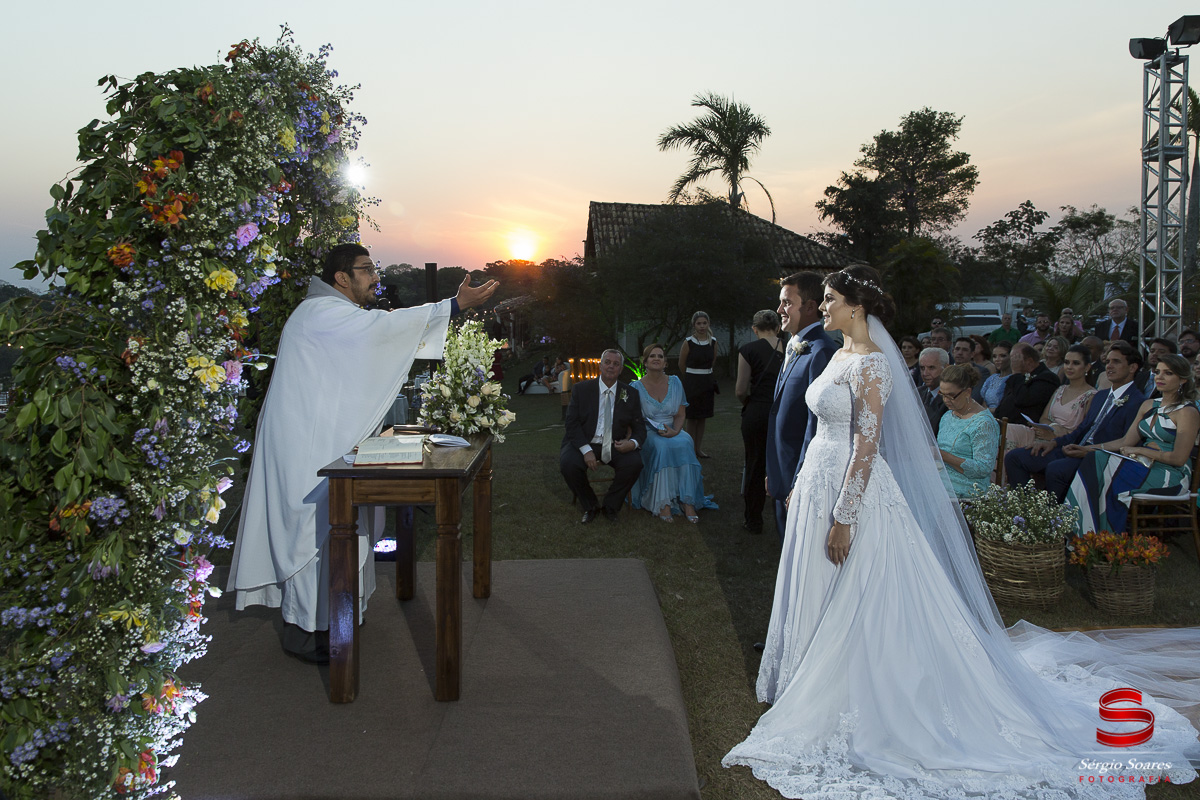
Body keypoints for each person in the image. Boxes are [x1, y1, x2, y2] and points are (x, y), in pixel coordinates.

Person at [723, 265, 1200, 798]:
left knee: (857, 591)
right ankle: (801, 679)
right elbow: (823, 428)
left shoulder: (874, 364)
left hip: (850, 492)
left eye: (831, 298)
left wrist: (845, 515)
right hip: (817, 480)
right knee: (815, 581)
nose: (824, 306)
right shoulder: (837, 355)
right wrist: (803, 484)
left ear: (856, 306)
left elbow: (866, 446)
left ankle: (849, 692)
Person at [227, 243, 499, 664]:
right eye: (367, 269)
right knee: (314, 537)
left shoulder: (334, 313)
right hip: (306, 448)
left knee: (337, 532)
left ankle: (340, 617)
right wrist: (453, 305)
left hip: (322, 439)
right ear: (341, 277)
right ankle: (311, 632)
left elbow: (374, 340)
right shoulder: (320, 314)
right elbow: (382, 331)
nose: (375, 277)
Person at [1066, 353, 1200, 535]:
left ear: (1183, 379)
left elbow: (1178, 459)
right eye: (1157, 372)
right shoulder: (1148, 404)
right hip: (1142, 465)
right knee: (1095, 458)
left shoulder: (1187, 412)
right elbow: (1125, 441)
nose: (1159, 377)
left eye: (1168, 373)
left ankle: (1096, 535)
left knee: (1104, 469)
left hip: (1171, 475)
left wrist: (1141, 450)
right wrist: (1087, 448)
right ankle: (1086, 533)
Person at [1005, 340, 1146, 500]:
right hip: (1074, 448)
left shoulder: (1138, 402)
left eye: (1116, 362)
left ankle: (1054, 513)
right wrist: (1054, 443)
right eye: (1107, 362)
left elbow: (1128, 443)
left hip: (1099, 457)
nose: (1109, 366)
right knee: (1015, 457)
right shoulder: (1101, 396)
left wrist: (1089, 450)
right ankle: (1025, 508)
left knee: (1056, 469)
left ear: (1132, 368)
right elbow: (1082, 429)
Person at [766, 271, 835, 540]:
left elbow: (816, 424)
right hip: (783, 467)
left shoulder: (821, 351)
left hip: (800, 472)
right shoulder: (795, 345)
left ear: (809, 307)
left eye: (787, 303)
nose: (779, 310)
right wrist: (774, 470)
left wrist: (799, 480)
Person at [560, 348, 646, 524]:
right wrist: (586, 450)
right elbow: (571, 424)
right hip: (585, 441)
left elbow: (640, 427)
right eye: (607, 362)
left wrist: (632, 443)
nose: (611, 366)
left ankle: (610, 506)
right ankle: (590, 505)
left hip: (615, 444)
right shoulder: (581, 389)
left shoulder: (630, 393)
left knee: (634, 463)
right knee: (569, 464)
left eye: (616, 364)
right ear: (600, 365)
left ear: (620, 369)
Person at [630, 344, 704, 523]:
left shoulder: (676, 382)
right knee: (662, 446)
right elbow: (633, 419)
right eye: (652, 356)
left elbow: (680, 414)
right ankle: (663, 503)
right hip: (648, 431)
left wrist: (675, 431)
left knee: (686, 441)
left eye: (660, 356)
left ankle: (687, 501)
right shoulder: (635, 387)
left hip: (673, 427)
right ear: (645, 362)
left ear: (665, 363)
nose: (656, 358)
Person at [736, 310, 785, 534]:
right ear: (778, 327)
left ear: (754, 329)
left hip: (757, 410)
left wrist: (749, 402)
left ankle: (754, 520)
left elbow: (740, 389)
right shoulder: (791, 347)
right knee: (785, 463)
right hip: (783, 411)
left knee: (755, 464)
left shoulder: (748, 350)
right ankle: (785, 517)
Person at [1005, 344, 1095, 451]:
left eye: (1075, 363)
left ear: (1087, 367)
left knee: (1014, 453)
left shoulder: (1092, 395)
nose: (1069, 367)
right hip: (1045, 434)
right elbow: (1044, 418)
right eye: (1066, 362)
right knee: (1008, 429)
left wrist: (1056, 435)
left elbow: (1086, 430)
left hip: (1065, 443)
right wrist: (1053, 427)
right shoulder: (1060, 390)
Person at [936, 363, 1000, 499]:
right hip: (941, 478)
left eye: (951, 395)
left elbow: (983, 468)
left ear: (967, 392)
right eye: (943, 394)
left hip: (968, 488)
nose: (946, 400)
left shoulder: (983, 423)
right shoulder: (948, 415)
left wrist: (943, 456)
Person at [678, 311, 719, 459]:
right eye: (699, 323)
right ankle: (689, 449)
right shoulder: (688, 342)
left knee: (703, 417)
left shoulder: (713, 342)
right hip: (692, 383)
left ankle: (698, 448)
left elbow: (713, 361)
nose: (702, 326)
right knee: (692, 417)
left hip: (706, 382)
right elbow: (681, 364)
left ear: (708, 324)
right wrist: (691, 378)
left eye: (704, 323)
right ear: (694, 325)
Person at [993, 342, 1059, 424]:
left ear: (1029, 361)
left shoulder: (1047, 378)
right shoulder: (1018, 377)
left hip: (1024, 426)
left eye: (1016, 359)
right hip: (1003, 424)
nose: (1012, 364)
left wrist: (1016, 372)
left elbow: (1022, 399)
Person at [916, 346, 948, 434]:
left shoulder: (952, 398)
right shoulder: (916, 393)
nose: (925, 373)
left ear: (946, 368)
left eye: (931, 368)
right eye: (922, 368)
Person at [980, 340, 1011, 410]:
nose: (997, 359)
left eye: (1002, 356)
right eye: (994, 356)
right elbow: (983, 401)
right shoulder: (992, 378)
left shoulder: (1014, 378)